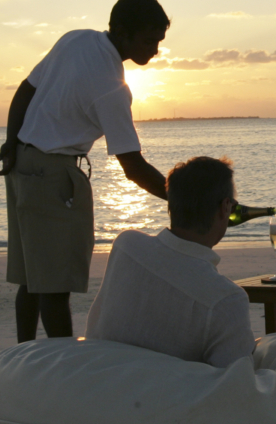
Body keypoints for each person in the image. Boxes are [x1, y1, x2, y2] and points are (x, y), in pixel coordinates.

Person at [0, 0, 172, 342]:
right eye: (149, 39)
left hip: (24, 166)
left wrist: (12, 143)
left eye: (159, 41)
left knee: (32, 281)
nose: (155, 49)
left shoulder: (75, 40)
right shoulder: (111, 87)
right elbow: (133, 167)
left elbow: (26, 90)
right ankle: (63, 372)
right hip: (51, 175)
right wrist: (181, 199)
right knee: (54, 288)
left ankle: (23, 362)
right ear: (121, 31)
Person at [85, 156, 256, 367]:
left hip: (97, 377)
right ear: (225, 207)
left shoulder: (126, 247)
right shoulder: (225, 300)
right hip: (162, 398)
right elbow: (237, 382)